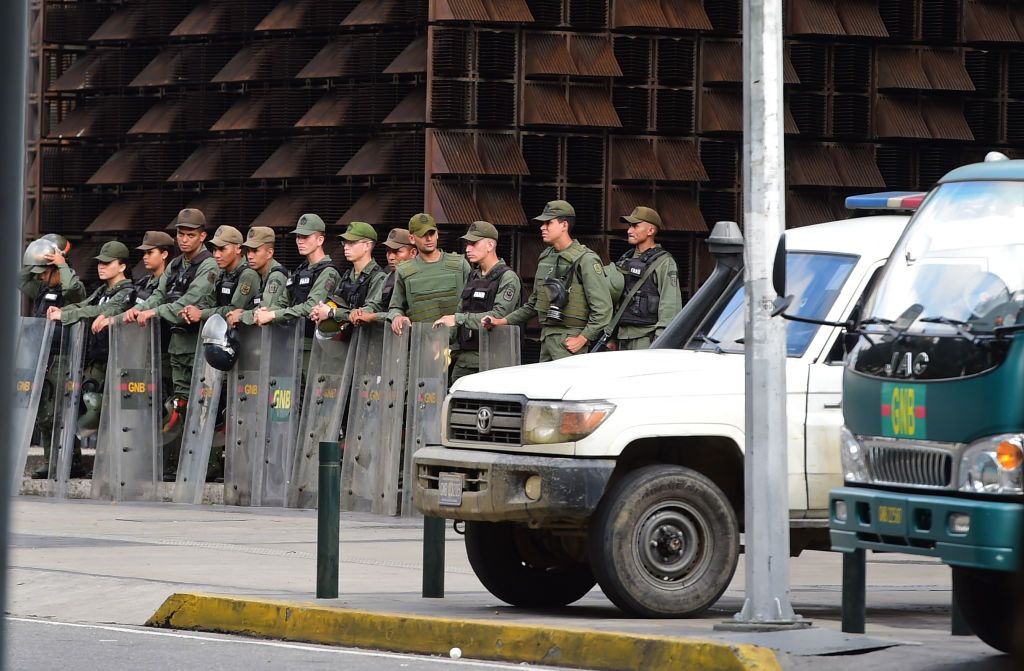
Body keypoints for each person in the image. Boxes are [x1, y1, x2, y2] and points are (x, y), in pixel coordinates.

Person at [121, 208, 218, 478]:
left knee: (203, 406)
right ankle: (178, 465)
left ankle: (206, 467)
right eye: (180, 234)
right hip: (178, 344)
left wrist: (155, 311)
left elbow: (193, 300)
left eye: (190, 235)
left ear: (202, 236)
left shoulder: (209, 265)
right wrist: (140, 309)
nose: (184, 240)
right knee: (180, 406)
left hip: (200, 345)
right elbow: (159, 294)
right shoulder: (176, 265)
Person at [37, 241, 136, 478]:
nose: (101, 267)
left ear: (122, 266)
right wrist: (64, 312)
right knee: (88, 411)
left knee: (108, 415)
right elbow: (86, 305)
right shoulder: (103, 291)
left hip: (117, 362)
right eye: (100, 263)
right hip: (95, 362)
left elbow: (100, 312)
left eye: (107, 263)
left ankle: (115, 468)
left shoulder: (127, 292)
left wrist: (66, 314)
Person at [485, 200, 612, 362]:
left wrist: (583, 338)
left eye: (548, 223)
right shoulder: (546, 257)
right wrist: (501, 321)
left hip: (571, 344)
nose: (542, 227)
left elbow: (603, 309)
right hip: (546, 341)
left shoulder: (586, 260)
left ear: (564, 225)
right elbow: (534, 304)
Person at [433, 221, 521, 382]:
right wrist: (444, 339)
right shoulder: (473, 276)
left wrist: (457, 319)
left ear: (490, 245)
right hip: (466, 359)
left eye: (473, 244)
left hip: (494, 360)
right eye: (467, 244)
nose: (468, 249)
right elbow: (461, 309)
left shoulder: (507, 278)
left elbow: (498, 315)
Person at [609, 206, 682, 350]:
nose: (629, 230)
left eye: (635, 226)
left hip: (646, 339)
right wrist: (612, 336)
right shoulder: (625, 259)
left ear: (650, 230)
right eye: (630, 226)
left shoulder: (664, 262)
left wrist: (661, 340)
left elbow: (670, 304)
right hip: (622, 338)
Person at [387, 213, 471, 337]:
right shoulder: (404, 271)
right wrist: (397, 317)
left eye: (431, 233)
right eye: (422, 235)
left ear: (437, 234)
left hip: (458, 345)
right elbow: (396, 306)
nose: (429, 239)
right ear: (411, 238)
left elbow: (474, 306)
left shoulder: (460, 265)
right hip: (421, 344)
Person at [253, 213, 341, 332]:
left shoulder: (328, 272)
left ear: (320, 240)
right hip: (293, 339)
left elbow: (311, 307)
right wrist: (266, 311)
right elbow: (283, 301)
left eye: (305, 237)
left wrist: (273, 315)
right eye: (298, 237)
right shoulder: (301, 270)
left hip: (315, 342)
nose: (300, 241)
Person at [310, 221, 386, 335]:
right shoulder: (348, 275)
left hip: (367, 343)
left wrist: (332, 313)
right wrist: (321, 310)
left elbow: (365, 313)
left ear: (367, 245)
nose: (345, 247)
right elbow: (336, 300)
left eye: (352, 243)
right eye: (344, 243)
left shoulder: (378, 277)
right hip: (347, 342)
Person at [180, 225, 259, 325]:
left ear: (238, 249)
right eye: (214, 250)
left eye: (222, 249)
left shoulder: (248, 275)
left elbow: (234, 310)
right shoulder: (220, 272)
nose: (216, 255)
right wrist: (191, 310)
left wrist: (201, 313)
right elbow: (209, 301)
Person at [350, 227, 417, 326]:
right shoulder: (390, 277)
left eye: (397, 252)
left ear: (413, 253)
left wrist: (373, 317)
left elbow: (408, 315)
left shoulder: (419, 277)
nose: (391, 257)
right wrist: (360, 312)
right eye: (389, 252)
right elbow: (376, 304)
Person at [233, 226, 289, 328]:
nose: (249, 256)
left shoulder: (276, 275)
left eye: (255, 251)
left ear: (269, 253)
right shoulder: (260, 273)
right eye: (248, 251)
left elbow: (265, 309)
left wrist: (241, 316)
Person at [20, 234, 86, 318]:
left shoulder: (77, 288)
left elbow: (70, 287)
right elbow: (20, 280)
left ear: (58, 270)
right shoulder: (42, 288)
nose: (41, 277)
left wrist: (62, 264)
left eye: (45, 273)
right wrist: (36, 258)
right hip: (42, 331)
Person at [132, 230, 175, 307]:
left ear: (164, 254)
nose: (144, 257)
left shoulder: (172, 283)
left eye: (149, 252)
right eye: (144, 253)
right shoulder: (144, 282)